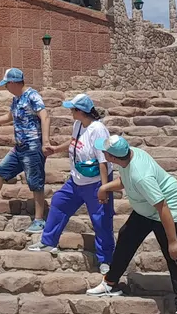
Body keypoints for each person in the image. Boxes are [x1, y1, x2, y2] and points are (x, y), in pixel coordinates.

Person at [87, 136, 177, 314]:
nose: (102, 153)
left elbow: (162, 206)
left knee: (173, 255)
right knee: (126, 236)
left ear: (113, 157)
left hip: (168, 208)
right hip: (146, 207)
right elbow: (125, 181)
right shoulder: (129, 156)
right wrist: (104, 188)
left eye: (105, 152)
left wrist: (173, 241)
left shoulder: (141, 176)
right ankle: (110, 283)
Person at [28, 93, 115, 271]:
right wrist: (55, 149)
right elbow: (74, 142)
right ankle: (48, 241)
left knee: (101, 220)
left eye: (73, 109)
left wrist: (104, 188)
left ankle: (106, 260)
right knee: (59, 202)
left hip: (96, 182)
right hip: (77, 180)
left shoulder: (98, 129)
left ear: (81, 111)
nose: (71, 112)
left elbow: (103, 161)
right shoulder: (78, 124)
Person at [0, 68, 51, 234]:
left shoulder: (32, 96)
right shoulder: (16, 99)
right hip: (19, 148)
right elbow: (10, 117)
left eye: (6, 84)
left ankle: (39, 220)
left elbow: (45, 117)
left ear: (13, 83)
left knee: (35, 183)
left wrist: (45, 142)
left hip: (32, 147)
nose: (6, 87)